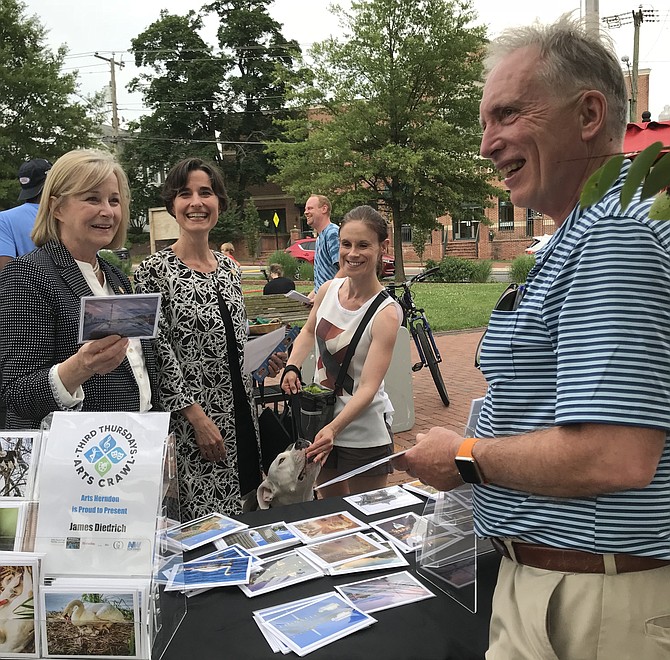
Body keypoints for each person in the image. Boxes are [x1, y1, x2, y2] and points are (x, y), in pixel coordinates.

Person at [394, 15, 670, 660]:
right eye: (485, 123)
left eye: (508, 114)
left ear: (589, 113)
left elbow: (613, 455)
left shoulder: (613, 235)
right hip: (560, 586)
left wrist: (465, 456)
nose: (488, 143)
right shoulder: (583, 230)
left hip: (593, 606)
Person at [134, 157, 283, 521]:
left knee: (246, 508)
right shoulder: (152, 273)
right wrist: (196, 418)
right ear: (172, 204)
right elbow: (157, 353)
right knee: (203, 525)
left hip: (241, 413)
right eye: (185, 194)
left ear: (219, 202)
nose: (196, 202)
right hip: (194, 424)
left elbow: (228, 336)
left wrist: (261, 355)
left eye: (206, 192)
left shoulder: (230, 268)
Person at [0, 149, 157, 429]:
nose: (107, 211)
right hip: (75, 460)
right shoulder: (26, 276)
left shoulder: (116, 278)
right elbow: (16, 393)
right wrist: (80, 367)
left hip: (134, 447)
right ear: (57, 208)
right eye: (92, 198)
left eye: (114, 200)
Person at [281, 205, 401, 498]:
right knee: (331, 512)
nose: (352, 253)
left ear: (382, 247)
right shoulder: (328, 291)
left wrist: (334, 430)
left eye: (363, 245)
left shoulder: (386, 313)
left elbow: (368, 387)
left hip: (362, 432)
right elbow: (309, 331)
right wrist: (293, 365)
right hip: (321, 420)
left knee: (368, 517)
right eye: (346, 244)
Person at [0, 158, 53, 271]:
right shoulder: (68, 215)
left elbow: (5, 271)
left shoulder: (4, 219)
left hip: (26, 286)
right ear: (51, 181)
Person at [304, 194, 340, 300]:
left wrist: (323, 294)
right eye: (306, 209)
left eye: (310, 208)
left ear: (324, 209)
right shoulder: (320, 238)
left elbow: (345, 270)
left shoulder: (332, 233)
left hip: (333, 300)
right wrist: (313, 295)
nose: (306, 212)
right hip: (325, 299)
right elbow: (325, 276)